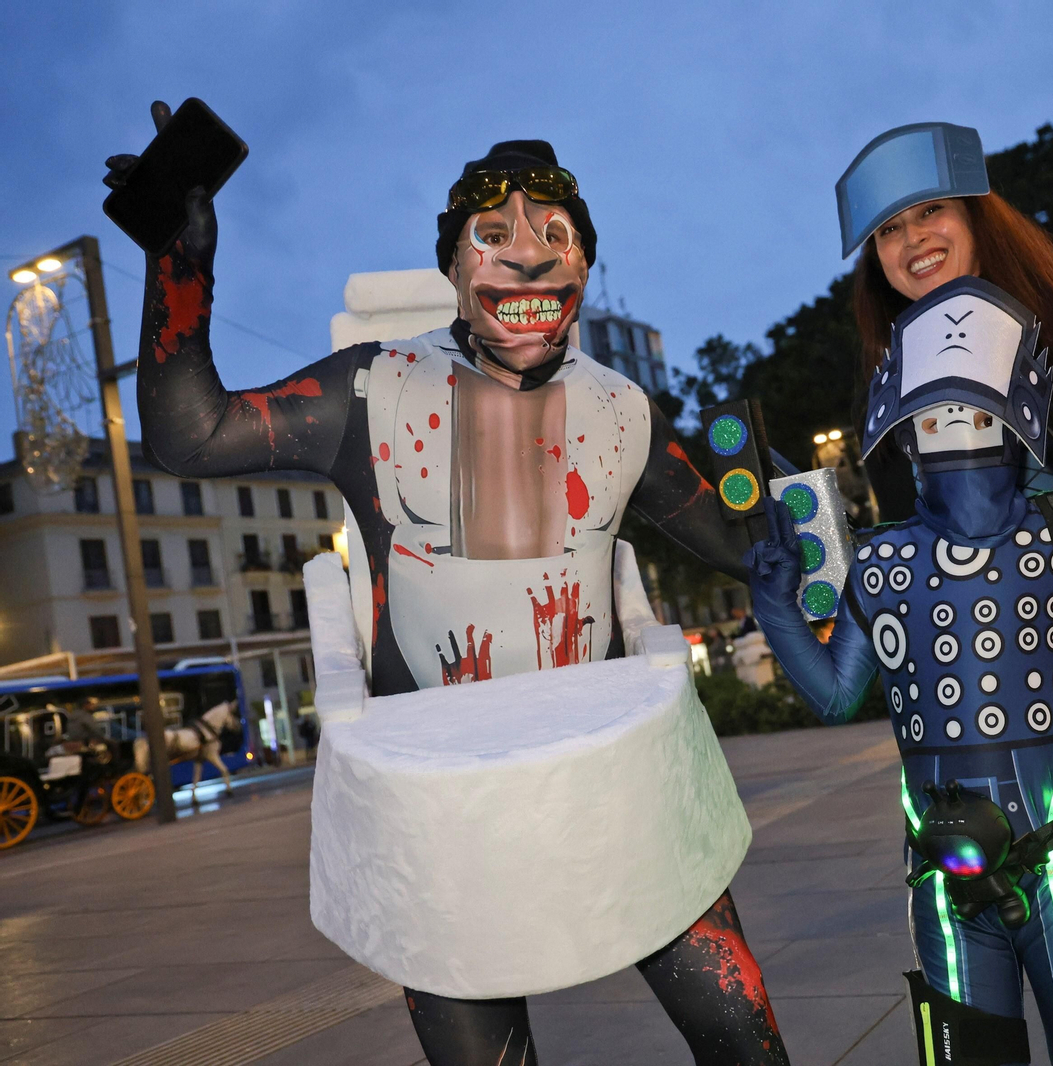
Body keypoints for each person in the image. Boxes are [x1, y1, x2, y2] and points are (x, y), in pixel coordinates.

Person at [108, 110, 790, 1065]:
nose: (529, 261)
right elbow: (193, 435)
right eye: (495, 237)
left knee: (740, 1031)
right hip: (445, 813)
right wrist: (179, 265)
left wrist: (813, 520)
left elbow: (738, 541)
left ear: (586, 266)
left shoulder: (621, 407)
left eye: (557, 238)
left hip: (612, 791)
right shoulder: (373, 389)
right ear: (454, 266)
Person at [749, 276, 1053, 1066]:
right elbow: (840, 694)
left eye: (975, 414)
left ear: (1016, 423)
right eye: (938, 416)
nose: (957, 433)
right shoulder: (883, 564)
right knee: (968, 1055)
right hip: (942, 871)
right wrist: (776, 610)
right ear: (906, 431)